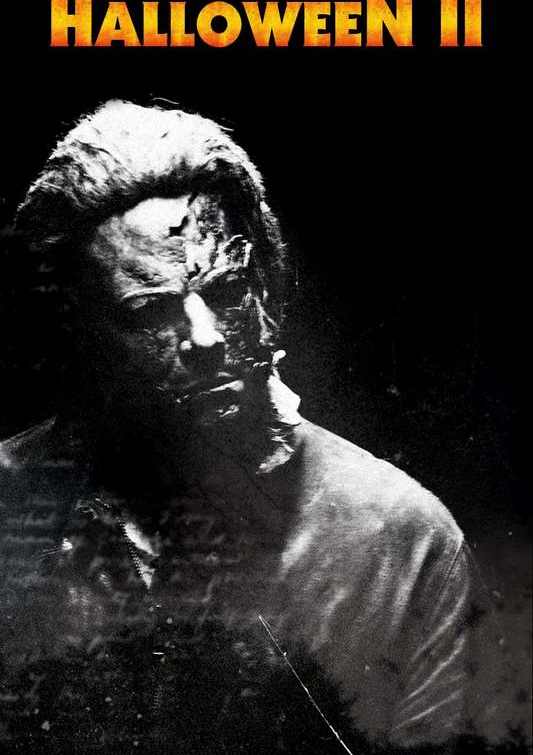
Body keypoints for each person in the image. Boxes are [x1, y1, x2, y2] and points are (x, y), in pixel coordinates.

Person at [0, 100, 503, 754]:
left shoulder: (402, 543)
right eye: (151, 311)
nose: (207, 338)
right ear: (76, 332)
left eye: (227, 290)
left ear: (267, 284)